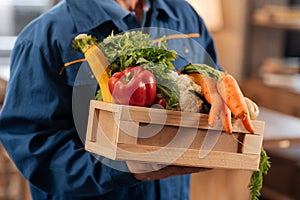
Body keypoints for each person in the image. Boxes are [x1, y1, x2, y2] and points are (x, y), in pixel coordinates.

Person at [0, 0, 221, 199]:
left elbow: (214, 90)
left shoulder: (185, 16)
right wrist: (122, 167)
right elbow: (34, 148)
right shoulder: (44, 37)